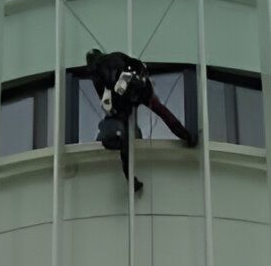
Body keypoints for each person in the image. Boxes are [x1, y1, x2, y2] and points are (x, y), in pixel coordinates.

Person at [84, 48, 197, 193]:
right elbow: (139, 66)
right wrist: (140, 79)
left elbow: (105, 99)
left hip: (123, 101)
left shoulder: (96, 75)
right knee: (162, 112)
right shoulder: (115, 57)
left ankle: (131, 181)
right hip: (138, 90)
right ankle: (188, 136)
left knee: (125, 144)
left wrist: (114, 110)